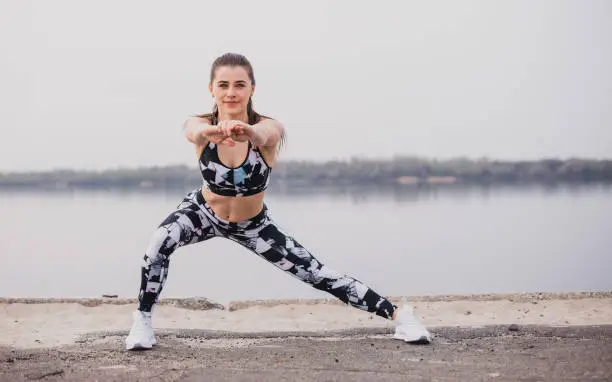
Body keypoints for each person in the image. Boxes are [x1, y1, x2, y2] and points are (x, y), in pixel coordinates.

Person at [125, 53, 432, 350]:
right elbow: (192, 131)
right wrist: (209, 131)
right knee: (159, 242)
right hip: (203, 213)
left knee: (315, 272)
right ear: (212, 89)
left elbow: (265, 135)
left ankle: (400, 316)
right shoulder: (201, 125)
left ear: (252, 89)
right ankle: (142, 320)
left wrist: (248, 132)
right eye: (223, 85)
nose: (231, 92)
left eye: (239, 84)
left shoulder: (269, 126)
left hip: (253, 226)